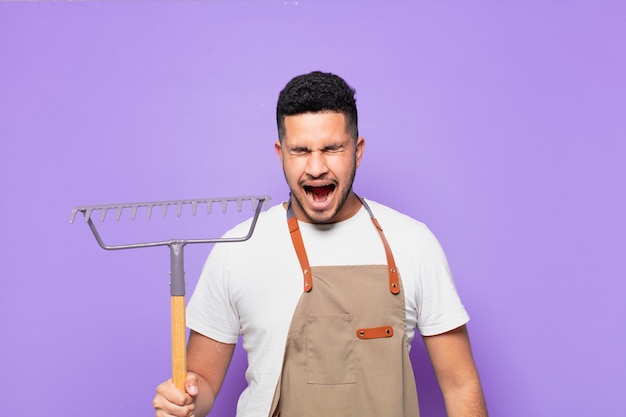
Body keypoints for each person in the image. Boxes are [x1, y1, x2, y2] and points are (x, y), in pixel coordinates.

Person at [153, 71, 488, 417]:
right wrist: (186, 401)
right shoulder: (237, 248)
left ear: (356, 151)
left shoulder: (413, 244)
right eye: (300, 150)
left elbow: (460, 384)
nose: (316, 167)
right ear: (280, 153)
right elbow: (203, 381)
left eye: (332, 148)